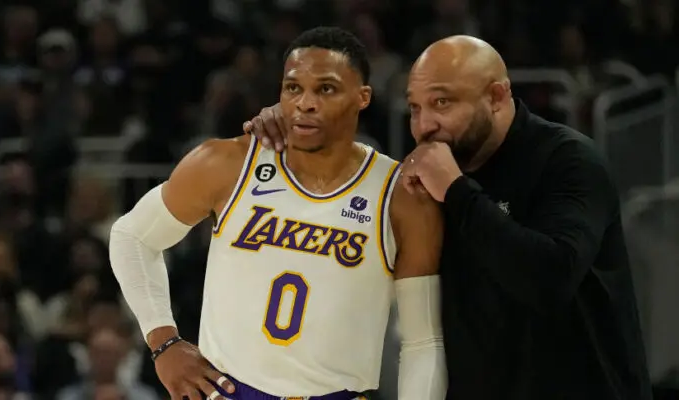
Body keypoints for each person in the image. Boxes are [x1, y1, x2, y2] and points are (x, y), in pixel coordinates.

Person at [244, 35, 652, 399]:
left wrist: (457, 191)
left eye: (442, 103)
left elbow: (550, 278)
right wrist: (296, 126)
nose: (424, 125)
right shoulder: (431, 174)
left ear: (496, 96)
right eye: (415, 107)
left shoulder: (567, 160)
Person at [109, 27, 448, 400]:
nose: (305, 103)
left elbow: (422, 341)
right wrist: (163, 342)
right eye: (293, 88)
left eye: (326, 89)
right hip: (229, 391)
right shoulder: (226, 163)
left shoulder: (400, 196)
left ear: (362, 97)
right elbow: (131, 236)